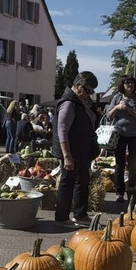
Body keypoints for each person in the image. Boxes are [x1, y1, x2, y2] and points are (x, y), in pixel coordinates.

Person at [51, 71, 99, 227]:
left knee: (82, 182)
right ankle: (62, 218)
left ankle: (80, 215)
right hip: (71, 150)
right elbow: (62, 131)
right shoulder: (69, 103)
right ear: (78, 86)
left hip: (82, 149)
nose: (89, 94)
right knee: (67, 183)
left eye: (92, 91)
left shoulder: (81, 102)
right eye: (88, 90)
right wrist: (67, 156)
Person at [107, 75, 136, 203]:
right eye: (127, 83)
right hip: (120, 135)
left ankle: (133, 191)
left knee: (133, 165)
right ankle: (119, 192)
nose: (130, 85)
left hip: (135, 135)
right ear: (122, 85)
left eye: (132, 83)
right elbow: (108, 115)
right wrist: (117, 107)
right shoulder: (117, 98)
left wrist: (128, 109)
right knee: (119, 164)